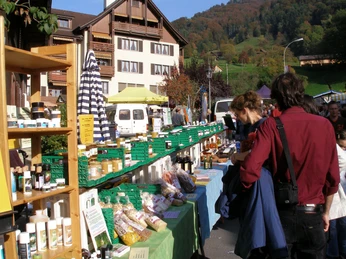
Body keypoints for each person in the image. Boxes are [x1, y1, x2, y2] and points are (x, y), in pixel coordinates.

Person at [240, 73, 340, 258]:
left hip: (282, 213)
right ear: (301, 94)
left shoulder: (271, 125)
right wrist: (326, 212)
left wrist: (249, 190)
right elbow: (333, 177)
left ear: (277, 98)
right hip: (313, 213)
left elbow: (250, 170)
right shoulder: (325, 125)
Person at [327, 130, 346, 259]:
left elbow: (342, 160)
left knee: (341, 227)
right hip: (334, 198)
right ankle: (334, 254)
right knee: (333, 228)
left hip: (338, 196)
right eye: (342, 147)